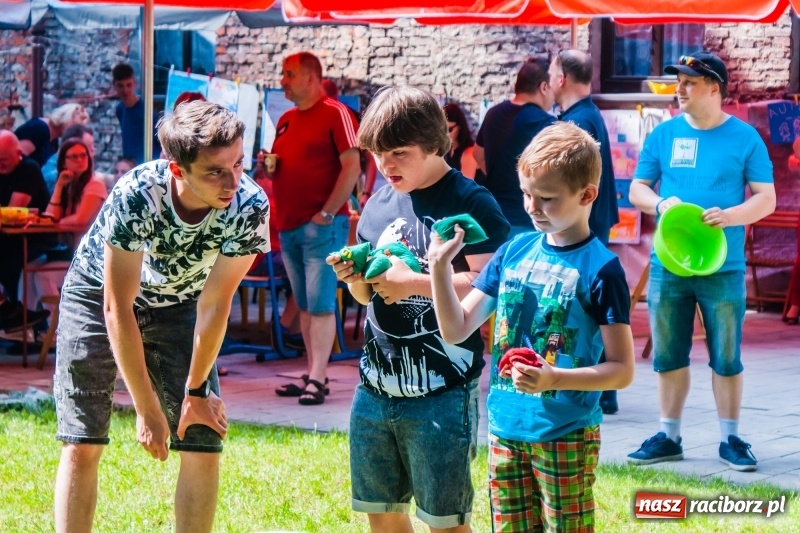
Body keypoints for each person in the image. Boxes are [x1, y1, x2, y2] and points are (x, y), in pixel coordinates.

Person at [52, 100, 270, 532]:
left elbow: (215, 304)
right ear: (178, 170)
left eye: (239, 165)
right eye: (215, 171)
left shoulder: (250, 206)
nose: (233, 182)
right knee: (83, 438)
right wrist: (147, 407)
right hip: (97, 293)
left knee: (203, 438)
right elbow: (117, 306)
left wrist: (195, 392)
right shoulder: (138, 194)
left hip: (183, 301)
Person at [428, 121, 635, 532]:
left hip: (566, 432)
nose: (532, 207)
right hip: (505, 428)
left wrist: (554, 377)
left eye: (547, 198)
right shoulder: (513, 252)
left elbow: (622, 369)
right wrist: (438, 269)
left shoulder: (602, 271)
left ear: (587, 195)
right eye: (526, 194)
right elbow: (456, 329)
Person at [327, 86, 510, 533]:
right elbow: (371, 296)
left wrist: (410, 282)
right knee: (382, 512)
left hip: (443, 390)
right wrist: (357, 280)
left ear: (434, 144)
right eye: (377, 154)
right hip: (374, 384)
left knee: (443, 520)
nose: (386, 166)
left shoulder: (471, 202)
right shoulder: (378, 201)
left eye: (399, 154)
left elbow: (491, 283)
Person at [627, 52, 776, 472]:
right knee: (668, 354)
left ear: (715, 89)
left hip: (722, 266)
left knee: (726, 356)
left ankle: (730, 438)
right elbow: (637, 188)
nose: (680, 88)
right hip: (669, 264)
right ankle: (669, 436)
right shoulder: (665, 134)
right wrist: (659, 202)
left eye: (690, 82)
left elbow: (767, 198)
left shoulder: (746, 138)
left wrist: (731, 216)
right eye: (680, 81)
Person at [266, 52, 361, 406]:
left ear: (311, 78)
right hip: (289, 225)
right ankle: (311, 372)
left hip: (320, 225)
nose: (283, 81)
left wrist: (327, 212)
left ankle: (319, 379)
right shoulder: (287, 119)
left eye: (289, 74)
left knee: (320, 305)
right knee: (305, 306)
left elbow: (352, 165)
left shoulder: (336, 112)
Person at [549, 49, 622, 415]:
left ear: (561, 78)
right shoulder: (586, 115)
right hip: (593, 223)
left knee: (587, 310)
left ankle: (599, 387)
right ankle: (603, 389)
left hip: (584, 229)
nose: (547, 82)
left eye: (551, 74)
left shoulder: (578, 122)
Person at [22, 139, 108, 316]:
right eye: (74, 156)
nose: (80, 160)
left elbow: (80, 221)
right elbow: (51, 214)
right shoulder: (69, 186)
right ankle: (28, 324)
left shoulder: (95, 185)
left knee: (42, 275)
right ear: (64, 162)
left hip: (92, 259)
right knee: (28, 269)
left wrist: (52, 223)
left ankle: (56, 330)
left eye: (83, 155)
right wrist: (60, 186)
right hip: (73, 254)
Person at [474, 58, 556, 238]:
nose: (554, 96)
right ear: (544, 87)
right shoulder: (545, 123)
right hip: (525, 218)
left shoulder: (492, 113)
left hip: (492, 212)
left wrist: (500, 174)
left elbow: (477, 154)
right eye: (552, 89)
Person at [0, 130, 52, 334]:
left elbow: (13, 211)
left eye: (3, 160)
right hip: (8, 238)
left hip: (32, 239)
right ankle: (7, 309)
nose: (0, 164)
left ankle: (11, 313)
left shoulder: (29, 170)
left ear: (18, 153)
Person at [112, 62, 160, 164]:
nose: (125, 90)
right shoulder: (120, 109)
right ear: (114, 85)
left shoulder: (147, 111)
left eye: (128, 85)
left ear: (134, 84)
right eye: (121, 86)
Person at [14, 103, 90, 167]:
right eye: (74, 126)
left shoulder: (54, 139)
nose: (74, 133)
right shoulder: (38, 128)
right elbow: (17, 159)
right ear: (66, 118)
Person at [42, 124, 96, 194]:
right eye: (88, 147)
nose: (93, 150)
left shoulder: (72, 167)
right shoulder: (55, 178)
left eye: (93, 145)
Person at [443, 103, 479, 180]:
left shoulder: (469, 153)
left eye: (449, 129)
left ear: (459, 127)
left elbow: (464, 190)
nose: (445, 134)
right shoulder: (449, 149)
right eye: (442, 129)